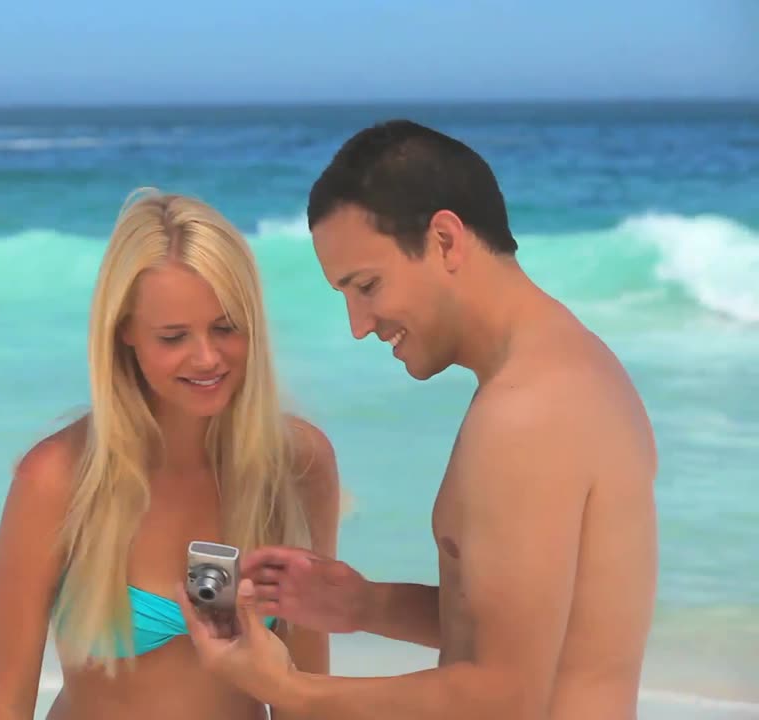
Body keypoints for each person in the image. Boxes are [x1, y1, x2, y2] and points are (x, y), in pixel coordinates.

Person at [176, 119, 660, 719]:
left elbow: (505, 696)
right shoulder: (576, 368)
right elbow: (547, 634)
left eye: (367, 285)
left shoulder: (526, 413)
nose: (358, 323)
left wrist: (288, 688)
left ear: (445, 240)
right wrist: (366, 607)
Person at [0, 188, 343, 720]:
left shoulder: (296, 465)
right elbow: (6, 706)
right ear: (125, 331)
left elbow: (306, 693)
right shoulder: (58, 479)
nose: (206, 357)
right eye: (173, 336)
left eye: (226, 327)